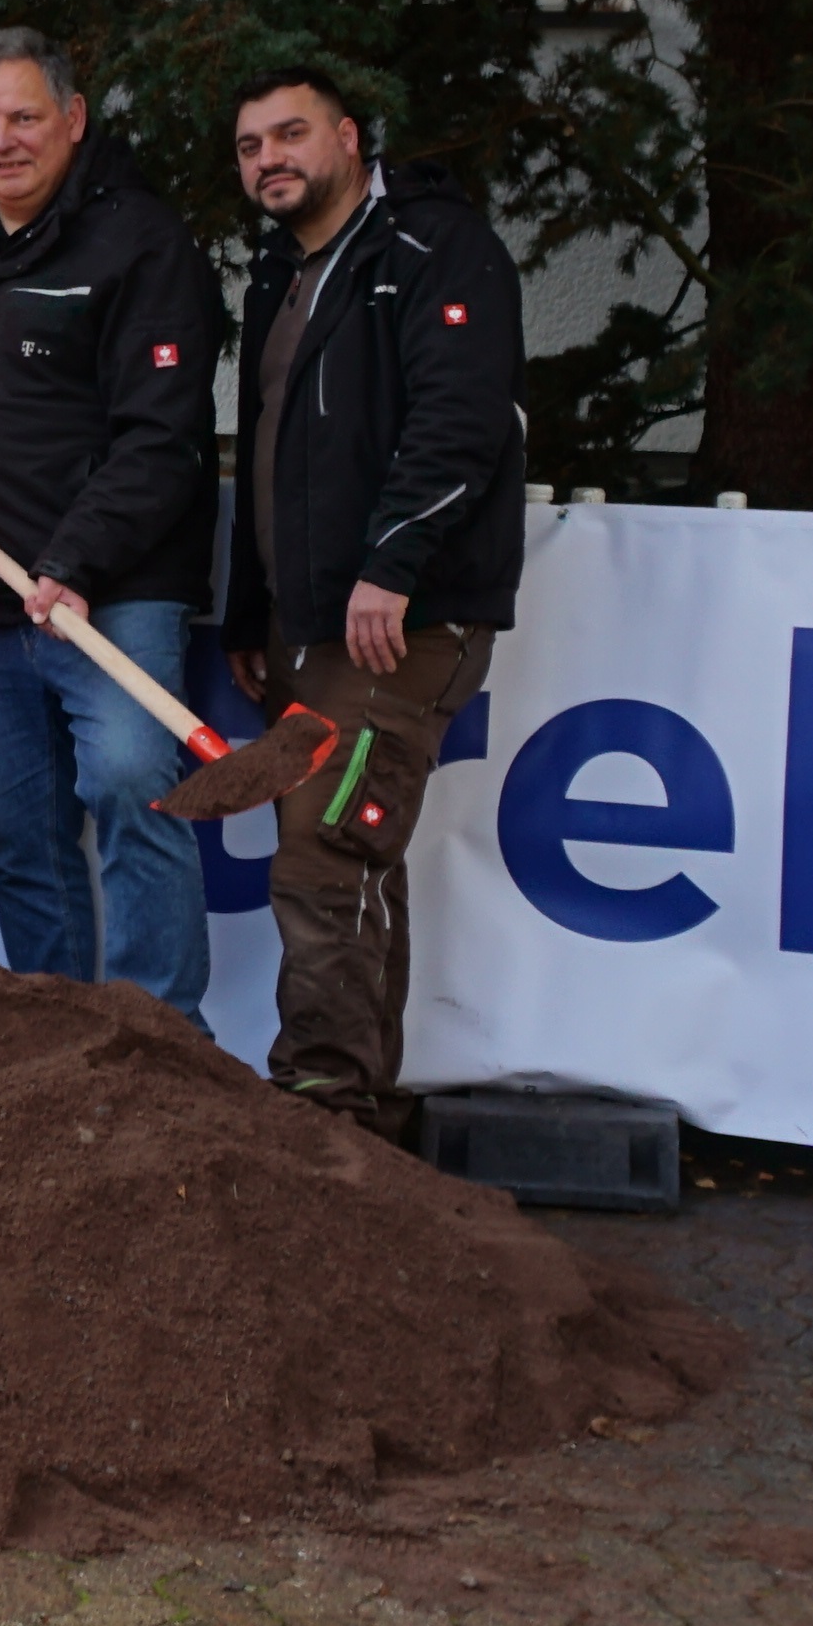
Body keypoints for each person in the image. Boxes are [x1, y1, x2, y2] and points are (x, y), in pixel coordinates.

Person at [219, 61, 528, 1132]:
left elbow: (461, 418)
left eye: (291, 134)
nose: (271, 159)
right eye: (252, 145)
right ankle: (359, 1118)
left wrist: (391, 565)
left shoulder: (435, 248)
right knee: (351, 861)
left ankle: (321, 1112)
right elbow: (271, 453)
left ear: (351, 137)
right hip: (305, 624)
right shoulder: (283, 273)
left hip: (403, 619)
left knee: (326, 852)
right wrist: (246, 611)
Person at [0, 27, 228, 1016]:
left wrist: (76, 559)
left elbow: (162, 437)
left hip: (111, 598)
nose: (0, 140)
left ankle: (159, 1042)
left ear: (74, 119)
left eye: (23, 117)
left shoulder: (142, 241)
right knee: (18, 832)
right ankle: (55, 1042)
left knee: (136, 790)